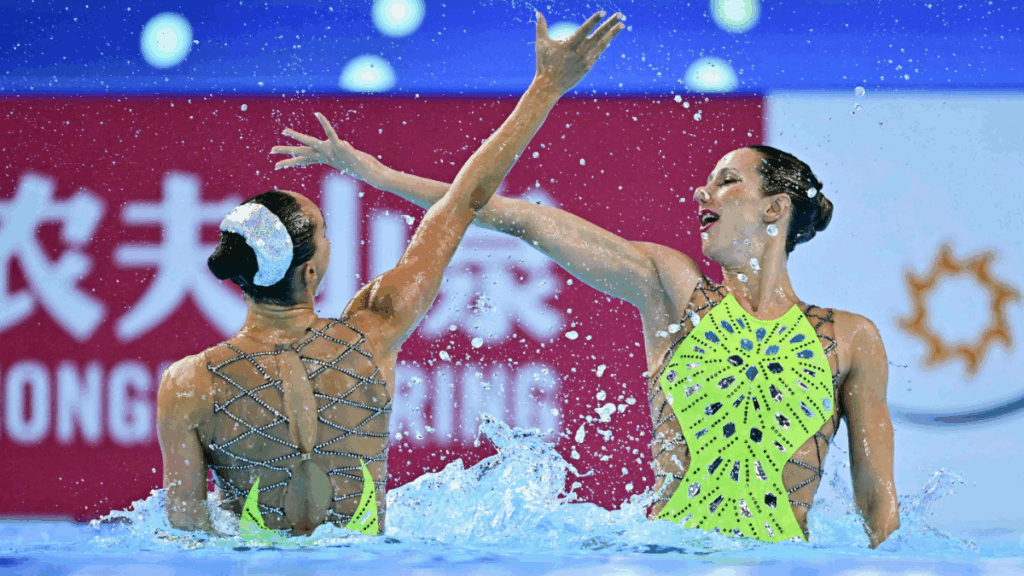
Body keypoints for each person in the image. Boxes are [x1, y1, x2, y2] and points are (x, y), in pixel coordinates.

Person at [272, 121, 900, 543]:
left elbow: (878, 504)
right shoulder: (673, 289)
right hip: (671, 557)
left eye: (727, 180)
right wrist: (377, 174)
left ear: (775, 208)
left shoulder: (852, 339)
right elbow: (524, 222)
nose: (702, 191)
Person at [157, 10, 625, 537]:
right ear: (311, 273)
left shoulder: (188, 383)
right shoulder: (371, 334)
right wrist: (545, 88)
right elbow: (462, 203)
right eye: (326, 230)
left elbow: (186, 529)